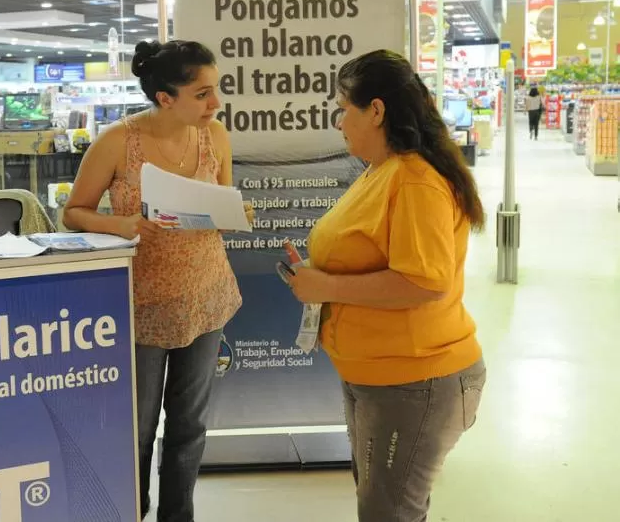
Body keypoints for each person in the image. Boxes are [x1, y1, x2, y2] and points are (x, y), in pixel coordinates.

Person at [286, 50, 487, 522]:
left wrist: (328, 286)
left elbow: (423, 283)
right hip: (380, 375)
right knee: (387, 506)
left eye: (343, 109)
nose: (339, 122)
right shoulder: (382, 170)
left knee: (389, 513)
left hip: (413, 379)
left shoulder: (415, 181)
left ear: (375, 110)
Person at [63, 40, 248, 522]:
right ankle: (131, 510)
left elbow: (223, 203)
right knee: (138, 427)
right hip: (139, 303)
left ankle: (177, 515)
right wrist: (120, 224)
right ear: (166, 97)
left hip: (205, 296)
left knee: (190, 424)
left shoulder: (216, 137)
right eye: (203, 93)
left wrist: (234, 213)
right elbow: (73, 213)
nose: (216, 103)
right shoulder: (117, 142)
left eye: (216, 91)